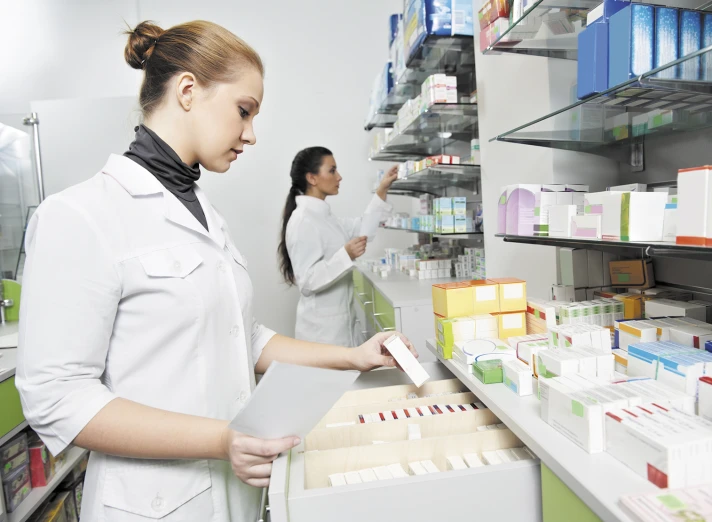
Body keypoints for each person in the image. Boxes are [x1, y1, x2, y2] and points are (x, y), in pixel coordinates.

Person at [15, 20, 416, 522]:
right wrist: (221, 438)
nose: (251, 134)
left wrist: (353, 357)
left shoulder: (203, 213)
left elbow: (243, 337)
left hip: (235, 495)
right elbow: (57, 397)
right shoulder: (79, 215)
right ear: (188, 90)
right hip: (154, 504)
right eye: (244, 111)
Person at [278, 148, 398, 346]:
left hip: (340, 325)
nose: (339, 177)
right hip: (321, 332)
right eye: (332, 170)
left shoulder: (325, 217)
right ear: (312, 178)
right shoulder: (303, 221)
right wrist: (346, 255)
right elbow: (307, 282)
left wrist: (382, 189)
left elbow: (362, 228)